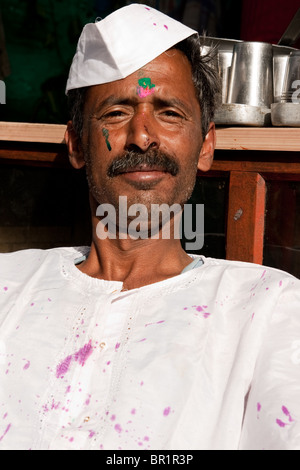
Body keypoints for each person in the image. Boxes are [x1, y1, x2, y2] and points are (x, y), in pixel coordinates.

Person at [0, 4, 300, 451]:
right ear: (78, 144)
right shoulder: (9, 284)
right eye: (117, 113)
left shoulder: (268, 310)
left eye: (169, 113)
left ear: (206, 146)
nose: (142, 136)